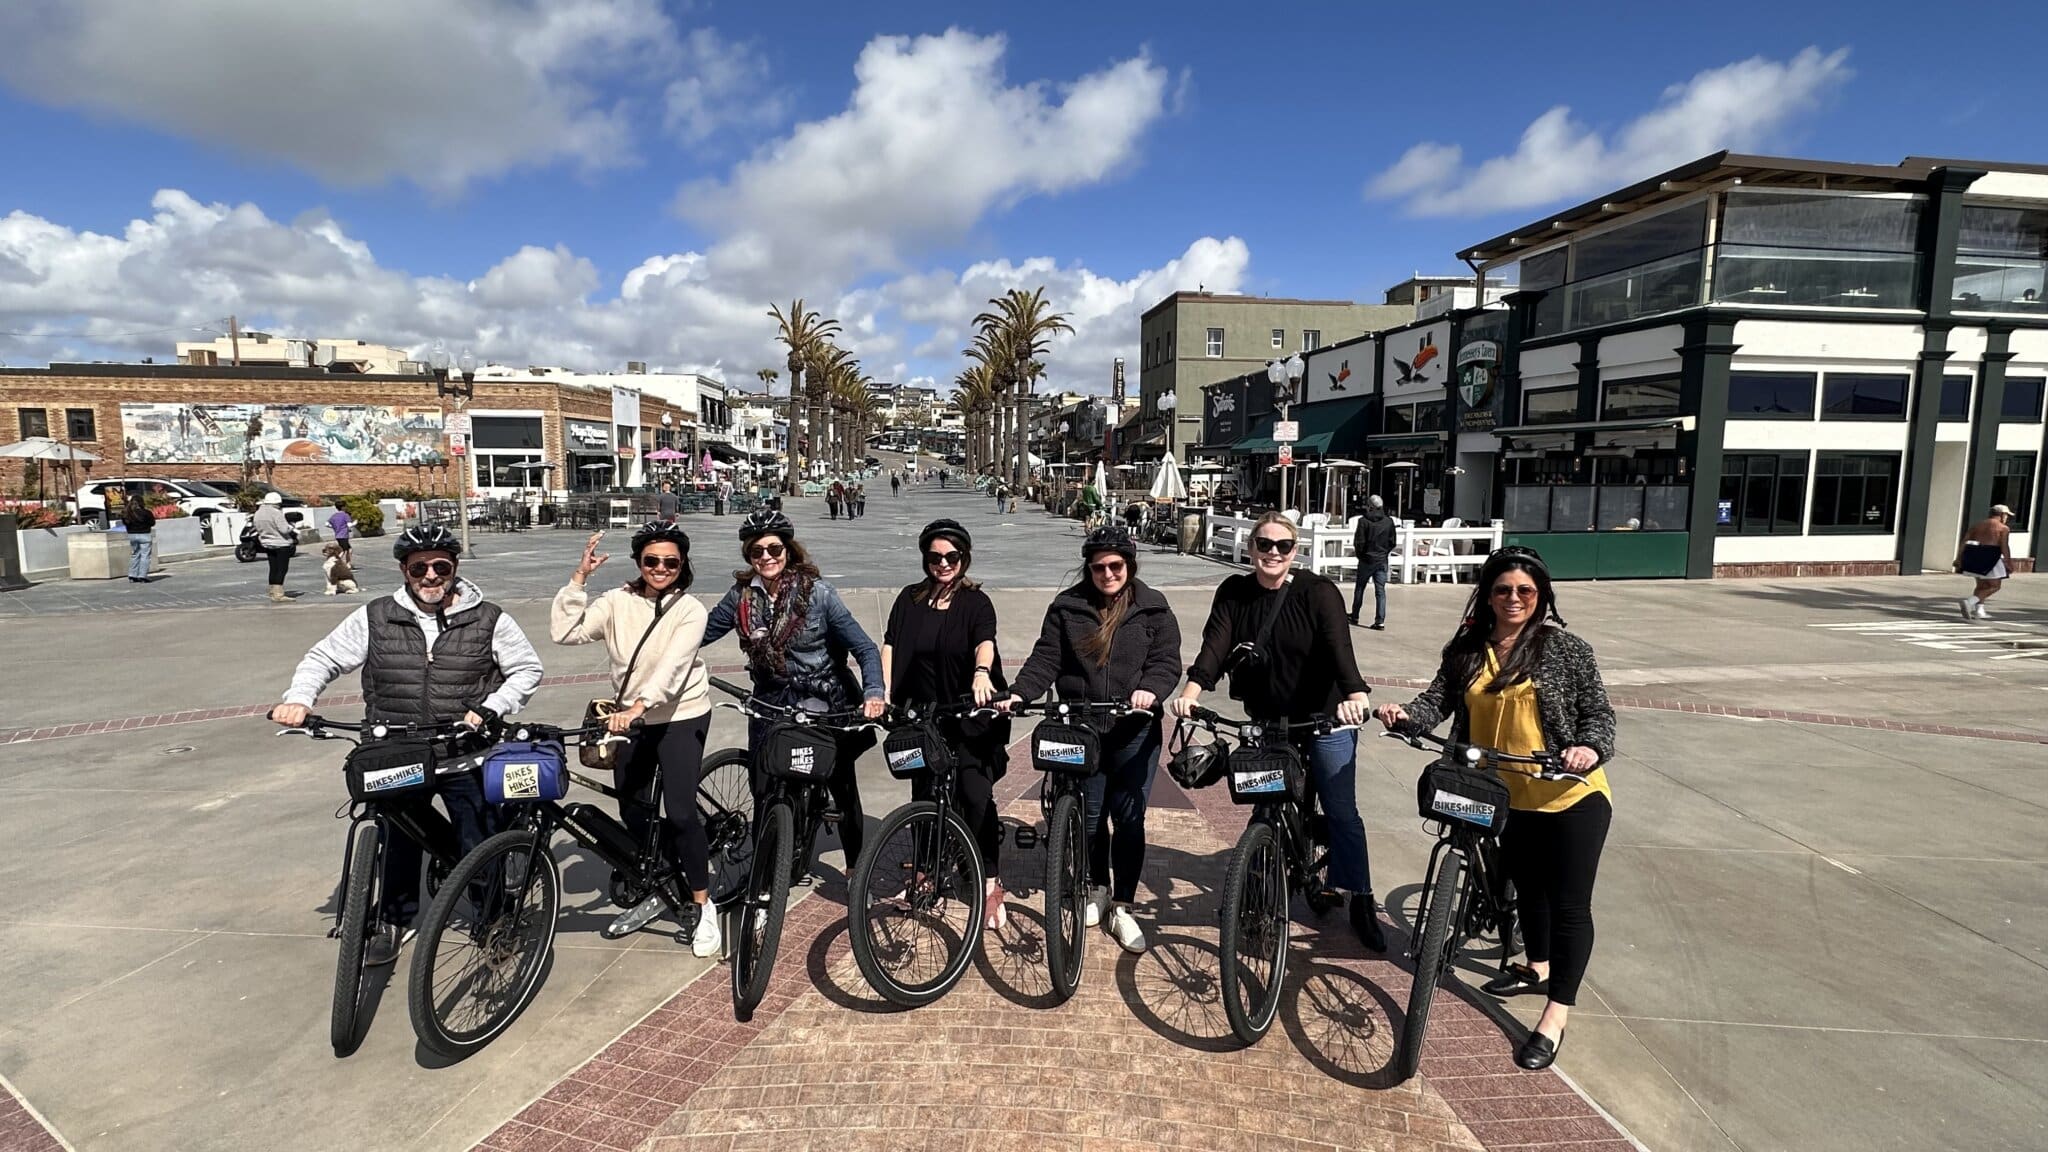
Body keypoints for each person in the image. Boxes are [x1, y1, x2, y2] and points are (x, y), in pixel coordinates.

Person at [1374, 546, 1615, 1072]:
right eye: (1503, 589)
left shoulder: (1567, 650)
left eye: (1525, 591)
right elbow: (1436, 700)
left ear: (1541, 597)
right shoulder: (1467, 648)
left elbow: (1597, 713)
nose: (1513, 599)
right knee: (1527, 886)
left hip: (1569, 794)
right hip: (1501, 793)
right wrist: (1404, 716)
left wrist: (1588, 749)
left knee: (1570, 903)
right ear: (1487, 595)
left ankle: (1555, 1013)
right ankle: (1535, 966)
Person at [270, 525, 545, 966]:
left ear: (454, 569)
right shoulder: (376, 616)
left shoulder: (489, 618)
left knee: (477, 842)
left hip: (463, 752)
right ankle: (393, 921)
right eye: (420, 567)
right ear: (404, 570)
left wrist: (492, 707)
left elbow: (527, 670)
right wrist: (299, 700)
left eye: (441, 566)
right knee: (398, 838)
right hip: (395, 751)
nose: (431, 576)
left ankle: (493, 918)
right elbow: (322, 657)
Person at [1169, 512, 1384, 951]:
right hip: (1268, 720)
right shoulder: (1234, 592)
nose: (1273, 553)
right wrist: (1191, 691)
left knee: (1341, 811)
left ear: (1295, 551)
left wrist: (1355, 694)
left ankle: (1360, 896)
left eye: (1282, 546)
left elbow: (1338, 647)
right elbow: (1215, 645)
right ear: (1250, 549)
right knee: (1263, 805)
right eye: (1264, 545)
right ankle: (1258, 889)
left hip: (1325, 718)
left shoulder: (1317, 592)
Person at [1004, 526, 1182, 952]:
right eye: (1099, 566)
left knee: (1128, 819)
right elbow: (1046, 657)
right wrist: (1019, 692)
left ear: (1129, 565)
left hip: (1133, 730)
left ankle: (1123, 905)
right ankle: (1097, 887)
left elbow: (1167, 662)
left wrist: (1151, 691)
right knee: (1088, 816)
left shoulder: (1154, 609)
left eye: (1115, 565)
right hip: (1083, 728)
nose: (1107, 573)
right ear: (1089, 567)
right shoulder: (1068, 607)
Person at [552, 523, 723, 955]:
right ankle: (667, 872)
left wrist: (638, 708)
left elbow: (673, 667)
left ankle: (703, 904)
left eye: (670, 562)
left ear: (683, 565)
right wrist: (580, 579)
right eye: (651, 561)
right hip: (631, 719)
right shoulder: (616, 602)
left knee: (681, 812)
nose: (660, 568)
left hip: (680, 713)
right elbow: (566, 632)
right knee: (632, 808)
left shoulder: (691, 610)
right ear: (638, 563)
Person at [702, 509, 887, 875]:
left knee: (841, 783)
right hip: (769, 702)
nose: (766, 557)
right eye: (757, 552)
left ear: (788, 550)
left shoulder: (818, 595)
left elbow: (864, 648)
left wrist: (874, 693)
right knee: (763, 784)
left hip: (822, 700)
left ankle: (854, 869)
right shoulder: (741, 597)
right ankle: (768, 867)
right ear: (748, 557)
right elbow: (699, 634)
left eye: (774, 549)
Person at [882, 519, 1013, 928]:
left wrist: (981, 674)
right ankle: (925, 873)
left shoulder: (977, 602)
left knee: (975, 795)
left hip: (969, 714)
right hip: (922, 715)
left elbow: (985, 642)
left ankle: (990, 880)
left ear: (963, 558)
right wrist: (882, 693)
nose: (943, 564)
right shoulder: (910, 599)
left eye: (951, 557)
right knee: (923, 795)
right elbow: (889, 643)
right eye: (935, 557)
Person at [1957, 504, 2014, 621]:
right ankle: (1969, 602)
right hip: (1990, 556)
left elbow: (1964, 541)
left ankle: (1979, 610)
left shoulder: (1977, 525)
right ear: (2002, 515)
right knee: (1995, 586)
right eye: (2007, 515)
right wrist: (2008, 561)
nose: (2007, 518)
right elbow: (2004, 546)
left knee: (1981, 585)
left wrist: (1959, 558)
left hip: (1973, 554)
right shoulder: (2003, 528)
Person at [1350, 494, 1396, 630]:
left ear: (1370, 506)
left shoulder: (1363, 521)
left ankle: (1355, 615)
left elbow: (1359, 542)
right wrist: (1384, 553)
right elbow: (1392, 542)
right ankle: (1380, 620)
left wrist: (1361, 556)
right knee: (1380, 591)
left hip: (1366, 559)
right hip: (1382, 559)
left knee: (1360, 588)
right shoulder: (1388, 521)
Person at [253, 491, 297, 603]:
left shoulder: (258, 513)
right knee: (282, 569)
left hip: (267, 543)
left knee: (273, 568)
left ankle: (272, 591)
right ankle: (279, 594)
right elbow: (283, 529)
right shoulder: (276, 513)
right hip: (281, 544)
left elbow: (256, 527)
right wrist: (291, 526)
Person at [120, 484, 155, 583]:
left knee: (135, 554)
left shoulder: (126, 513)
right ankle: (142, 575)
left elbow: (125, 523)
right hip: (144, 534)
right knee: (145, 555)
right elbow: (152, 523)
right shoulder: (146, 512)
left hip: (132, 535)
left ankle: (132, 575)